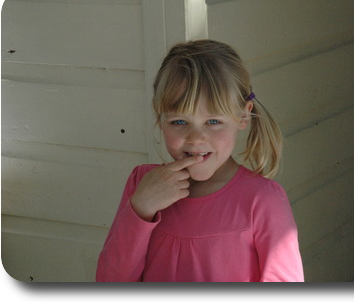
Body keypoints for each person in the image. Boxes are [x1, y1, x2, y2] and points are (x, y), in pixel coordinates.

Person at [96, 40, 304, 282]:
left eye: (213, 121)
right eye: (179, 122)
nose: (195, 139)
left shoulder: (262, 199)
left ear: (243, 115)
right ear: (159, 116)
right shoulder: (142, 184)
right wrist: (141, 209)